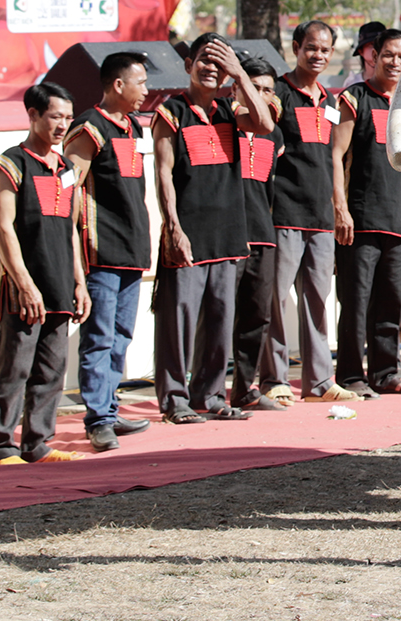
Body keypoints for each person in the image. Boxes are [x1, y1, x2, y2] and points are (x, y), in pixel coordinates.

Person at [151, 33, 276, 424]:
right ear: (188, 65)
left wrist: (239, 74)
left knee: (222, 321)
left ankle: (210, 394)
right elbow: (163, 174)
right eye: (204, 60)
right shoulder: (171, 111)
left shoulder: (228, 110)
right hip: (188, 233)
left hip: (229, 232)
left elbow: (266, 123)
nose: (210, 68)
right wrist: (173, 226)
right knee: (179, 321)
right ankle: (175, 399)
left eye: (218, 62)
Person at [0, 82, 89, 464]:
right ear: (33, 115)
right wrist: (24, 283)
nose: (63, 125)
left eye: (67, 117)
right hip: (23, 286)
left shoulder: (66, 168)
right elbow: (2, 227)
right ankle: (1, 445)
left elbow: (73, 228)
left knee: (52, 368)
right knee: (15, 368)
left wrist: (79, 281)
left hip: (60, 282)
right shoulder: (11, 164)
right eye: (55, 117)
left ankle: (38, 442)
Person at [63, 51, 156, 452]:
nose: (146, 91)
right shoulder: (90, 127)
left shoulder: (133, 126)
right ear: (118, 85)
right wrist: (72, 259)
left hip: (132, 249)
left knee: (121, 336)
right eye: (141, 83)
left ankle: (111, 409)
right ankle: (97, 418)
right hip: (100, 251)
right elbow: (68, 190)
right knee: (99, 337)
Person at [332, 30, 401, 397]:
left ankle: (386, 371)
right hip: (359, 220)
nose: (396, 62)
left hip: (397, 220)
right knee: (356, 303)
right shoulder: (354, 99)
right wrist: (340, 209)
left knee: (391, 300)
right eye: (389, 55)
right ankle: (349, 376)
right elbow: (334, 156)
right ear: (373, 57)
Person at [261, 21, 358, 404]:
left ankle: (319, 382)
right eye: (311, 48)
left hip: (321, 218)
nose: (318, 56)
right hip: (283, 212)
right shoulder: (279, 93)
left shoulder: (330, 101)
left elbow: (335, 159)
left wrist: (339, 207)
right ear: (296, 47)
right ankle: (274, 379)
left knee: (318, 299)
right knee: (276, 299)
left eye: (325, 50)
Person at [229, 54, 289, 412]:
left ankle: (244, 389)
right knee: (221, 316)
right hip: (229, 233)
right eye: (254, 88)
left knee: (257, 316)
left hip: (263, 233)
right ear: (238, 88)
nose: (262, 95)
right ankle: (203, 391)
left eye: (267, 89)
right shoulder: (225, 124)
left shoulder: (274, 134)